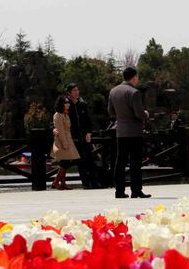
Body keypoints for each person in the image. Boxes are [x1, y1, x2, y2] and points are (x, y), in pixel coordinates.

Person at [108, 66, 151, 199]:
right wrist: (146, 114)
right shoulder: (134, 93)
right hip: (134, 131)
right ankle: (136, 190)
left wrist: (121, 117)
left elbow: (110, 111)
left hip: (121, 131)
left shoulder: (113, 91)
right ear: (134, 77)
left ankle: (119, 190)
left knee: (120, 161)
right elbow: (139, 114)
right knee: (135, 162)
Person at [64, 83, 102, 189]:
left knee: (90, 159)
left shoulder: (82, 104)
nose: (76, 92)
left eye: (77, 90)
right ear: (69, 93)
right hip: (74, 137)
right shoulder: (66, 105)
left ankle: (95, 182)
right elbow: (63, 120)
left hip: (84, 135)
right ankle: (86, 183)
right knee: (80, 161)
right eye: (74, 91)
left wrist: (89, 133)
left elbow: (88, 121)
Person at [50, 96, 80, 190]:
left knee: (66, 161)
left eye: (68, 102)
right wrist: (64, 143)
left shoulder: (65, 114)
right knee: (65, 162)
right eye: (65, 103)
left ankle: (63, 182)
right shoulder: (58, 115)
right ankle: (56, 181)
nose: (68, 104)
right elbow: (60, 130)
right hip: (63, 140)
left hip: (68, 138)